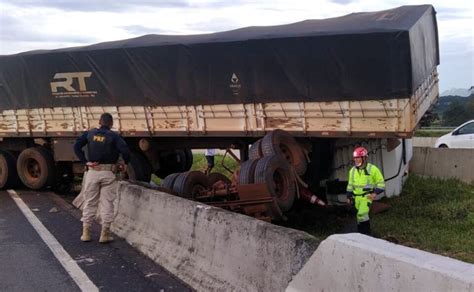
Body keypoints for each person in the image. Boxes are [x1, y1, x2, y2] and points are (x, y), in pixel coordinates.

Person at [74, 113, 130, 243]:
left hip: (92, 171)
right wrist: (125, 163)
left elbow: (76, 146)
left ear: (99, 122)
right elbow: (126, 151)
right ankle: (104, 234)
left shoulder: (90, 133)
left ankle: (86, 233)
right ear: (111, 124)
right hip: (108, 173)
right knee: (107, 203)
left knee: (90, 202)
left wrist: (85, 161)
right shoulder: (114, 136)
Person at [346, 146, 385, 236]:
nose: (356, 160)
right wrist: (349, 197)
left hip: (366, 197)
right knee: (360, 217)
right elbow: (350, 185)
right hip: (356, 198)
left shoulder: (373, 169)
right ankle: (361, 234)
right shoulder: (352, 171)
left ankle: (366, 234)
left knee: (362, 214)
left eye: (358, 158)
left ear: (364, 158)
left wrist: (375, 193)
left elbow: (381, 184)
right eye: (355, 158)